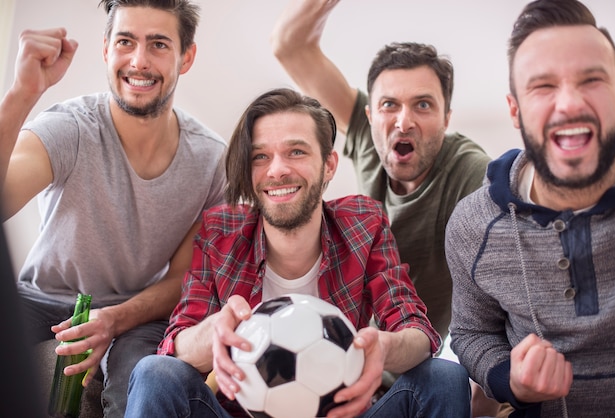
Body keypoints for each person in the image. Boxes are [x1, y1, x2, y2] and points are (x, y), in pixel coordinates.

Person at [124, 87, 471, 418]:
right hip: (239, 413)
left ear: (329, 165)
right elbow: (174, 343)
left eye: (296, 152)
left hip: (345, 412)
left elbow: (417, 329)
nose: (277, 170)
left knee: (443, 377)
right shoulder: (221, 232)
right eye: (261, 156)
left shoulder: (364, 224)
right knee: (156, 372)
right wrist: (213, 332)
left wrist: (384, 347)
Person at [0, 0, 226, 416]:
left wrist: (114, 319)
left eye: (158, 44)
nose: (139, 61)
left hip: (135, 314)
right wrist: (21, 94)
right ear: (106, 49)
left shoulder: (211, 161)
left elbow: (183, 278)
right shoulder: (70, 127)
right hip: (42, 299)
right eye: (126, 41)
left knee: (137, 390)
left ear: (186, 56)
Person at [271, 1, 497, 415]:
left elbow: (502, 290)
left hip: (407, 375)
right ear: (369, 113)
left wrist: (490, 389)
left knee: (446, 379)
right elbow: (290, 44)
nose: (403, 121)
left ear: (447, 118)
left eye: (423, 105)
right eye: (390, 105)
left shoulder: (470, 174)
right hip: (333, 368)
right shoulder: (364, 134)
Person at [445, 0, 615, 416]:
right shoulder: (473, 226)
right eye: (543, 86)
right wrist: (510, 380)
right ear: (515, 110)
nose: (569, 104)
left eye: (591, 80)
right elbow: (472, 332)